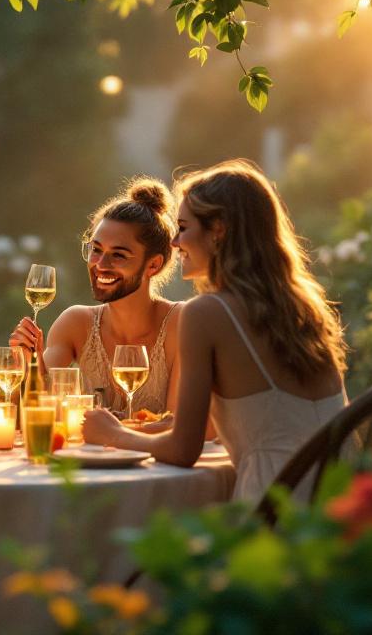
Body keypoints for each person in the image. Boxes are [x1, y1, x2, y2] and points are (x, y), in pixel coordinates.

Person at [82, 159, 348, 503]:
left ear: (218, 231)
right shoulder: (303, 305)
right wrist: (166, 426)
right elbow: (281, 416)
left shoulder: (207, 313)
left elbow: (182, 451)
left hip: (277, 508)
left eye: (183, 227)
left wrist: (114, 434)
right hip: (342, 502)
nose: (175, 242)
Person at [10, 178, 181, 419]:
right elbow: (36, 414)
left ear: (152, 265)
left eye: (118, 255)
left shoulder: (180, 324)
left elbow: (178, 425)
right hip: (86, 457)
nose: (100, 265)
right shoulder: (76, 324)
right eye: (96, 249)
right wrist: (29, 364)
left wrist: (110, 432)